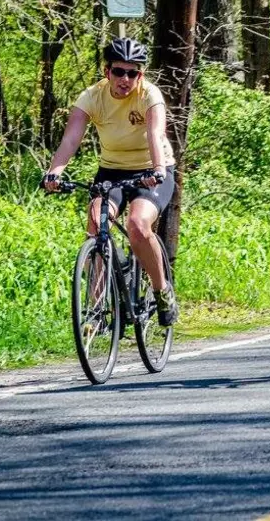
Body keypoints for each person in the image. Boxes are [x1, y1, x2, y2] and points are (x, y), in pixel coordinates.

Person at [42, 37, 179, 325]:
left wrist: (156, 170)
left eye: (133, 73)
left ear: (140, 75)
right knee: (96, 223)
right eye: (119, 71)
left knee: (138, 225)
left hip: (152, 170)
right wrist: (55, 171)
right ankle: (97, 309)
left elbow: (155, 135)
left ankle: (162, 290)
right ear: (107, 72)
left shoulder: (149, 95)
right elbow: (70, 139)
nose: (125, 79)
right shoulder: (92, 97)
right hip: (112, 171)